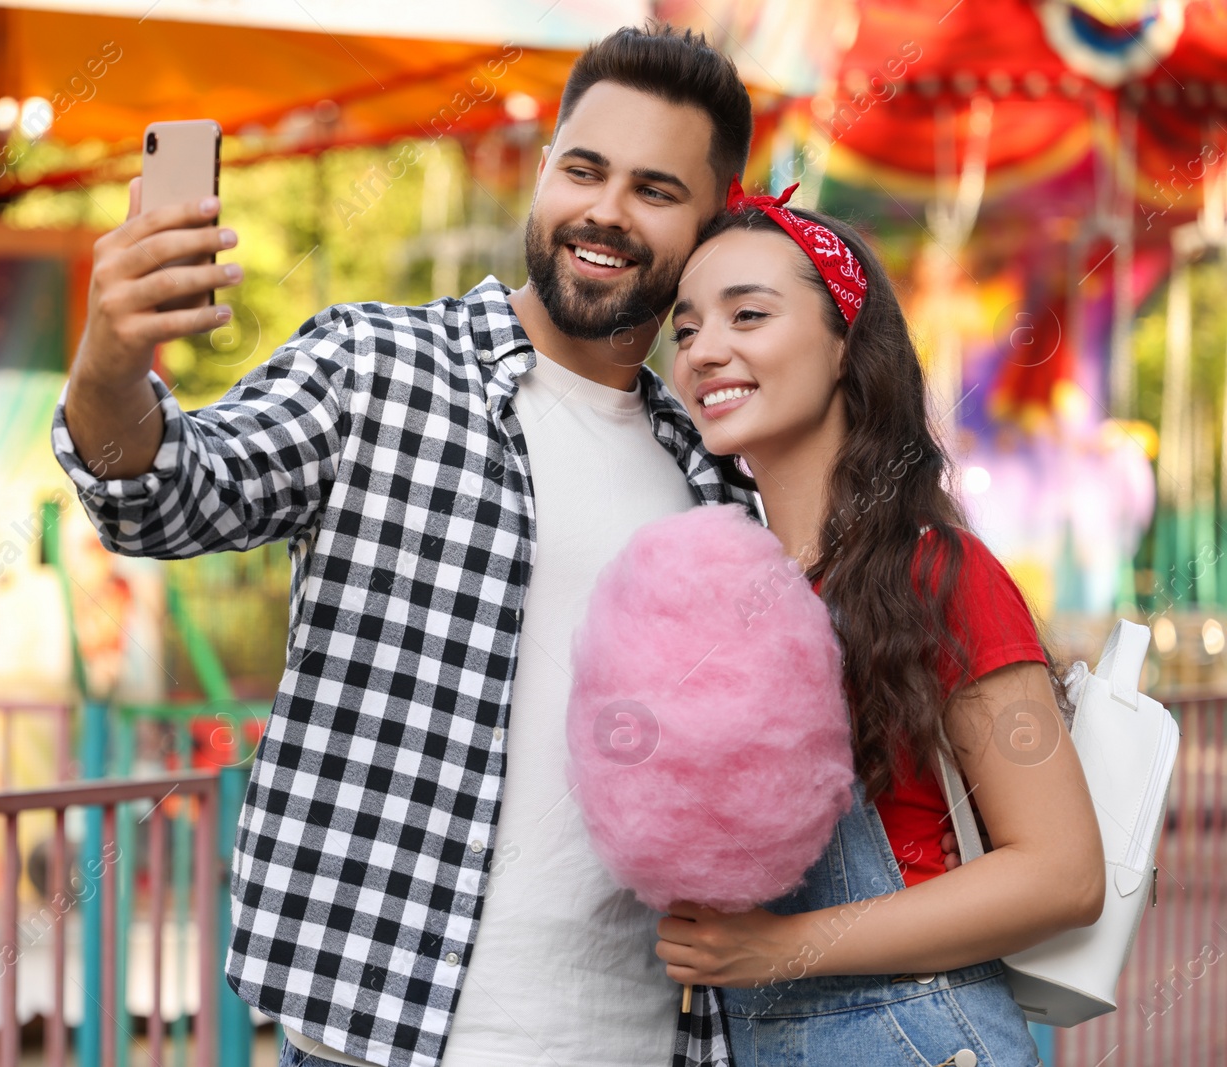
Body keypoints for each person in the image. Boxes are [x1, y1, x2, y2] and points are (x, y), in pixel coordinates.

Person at [54, 22, 776, 1067]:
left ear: (712, 223)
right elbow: (167, 496)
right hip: (375, 1037)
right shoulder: (372, 368)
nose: (605, 211)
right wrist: (109, 364)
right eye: (583, 169)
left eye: (656, 190)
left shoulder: (715, 482)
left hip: (633, 1042)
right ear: (543, 175)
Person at [652, 183, 1106, 1066]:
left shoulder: (937, 573)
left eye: (747, 314)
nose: (707, 350)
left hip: (918, 1039)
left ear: (844, 344)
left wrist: (778, 949)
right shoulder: (732, 588)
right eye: (687, 328)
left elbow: (1062, 871)